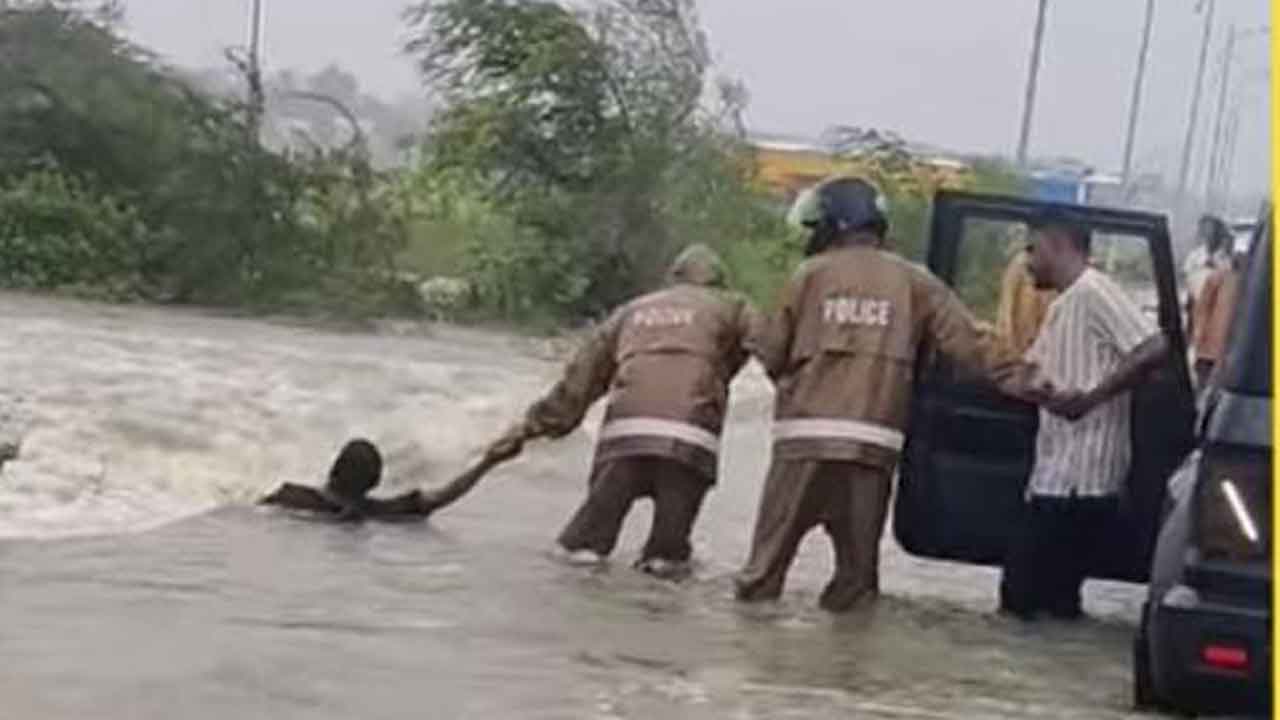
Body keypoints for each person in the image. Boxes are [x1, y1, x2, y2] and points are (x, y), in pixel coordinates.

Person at [734, 177, 1045, 612]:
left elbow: (770, 352)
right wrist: (1033, 381)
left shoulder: (807, 276)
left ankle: (753, 670)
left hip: (802, 446)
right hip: (873, 451)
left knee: (761, 579)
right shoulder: (916, 281)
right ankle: (849, 672)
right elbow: (971, 345)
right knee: (856, 588)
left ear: (832, 223)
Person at [491, 244, 758, 578]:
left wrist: (536, 425)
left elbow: (580, 382)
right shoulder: (734, 306)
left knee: (579, 549)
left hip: (624, 436)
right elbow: (773, 349)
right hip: (690, 438)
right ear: (720, 283)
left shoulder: (630, 311)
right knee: (667, 561)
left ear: (671, 280)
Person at [999, 208, 1170, 621]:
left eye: (1033, 248)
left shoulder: (1094, 290)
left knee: (1021, 598)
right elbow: (1036, 373)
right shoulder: (1063, 304)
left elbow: (1154, 346)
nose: (1028, 260)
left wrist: (1090, 398)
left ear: (1059, 245)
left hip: (1079, 480)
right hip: (1058, 474)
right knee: (1051, 603)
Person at [259, 437, 515, 521]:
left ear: (333, 469)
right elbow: (442, 496)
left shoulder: (289, 496)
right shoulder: (379, 511)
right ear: (375, 481)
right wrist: (488, 462)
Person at [1190, 244, 1246, 389]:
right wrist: (1199, 337)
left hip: (1234, 356)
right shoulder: (1218, 277)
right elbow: (1201, 311)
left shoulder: (1254, 281)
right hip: (1211, 354)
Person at [996, 245, 1057, 356]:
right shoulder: (1019, 264)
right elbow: (1006, 308)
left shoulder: (1054, 271)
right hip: (1017, 345)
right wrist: (1008, 343)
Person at [1182, 215, 1231, 339]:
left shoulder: (1226, 259)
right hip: (1197, 304)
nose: (1209, 235)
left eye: (1213, 231)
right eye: (1207, 231)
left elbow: (1228, 281)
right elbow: (1188, 278)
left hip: (1216, 308)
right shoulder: (1194, 256)